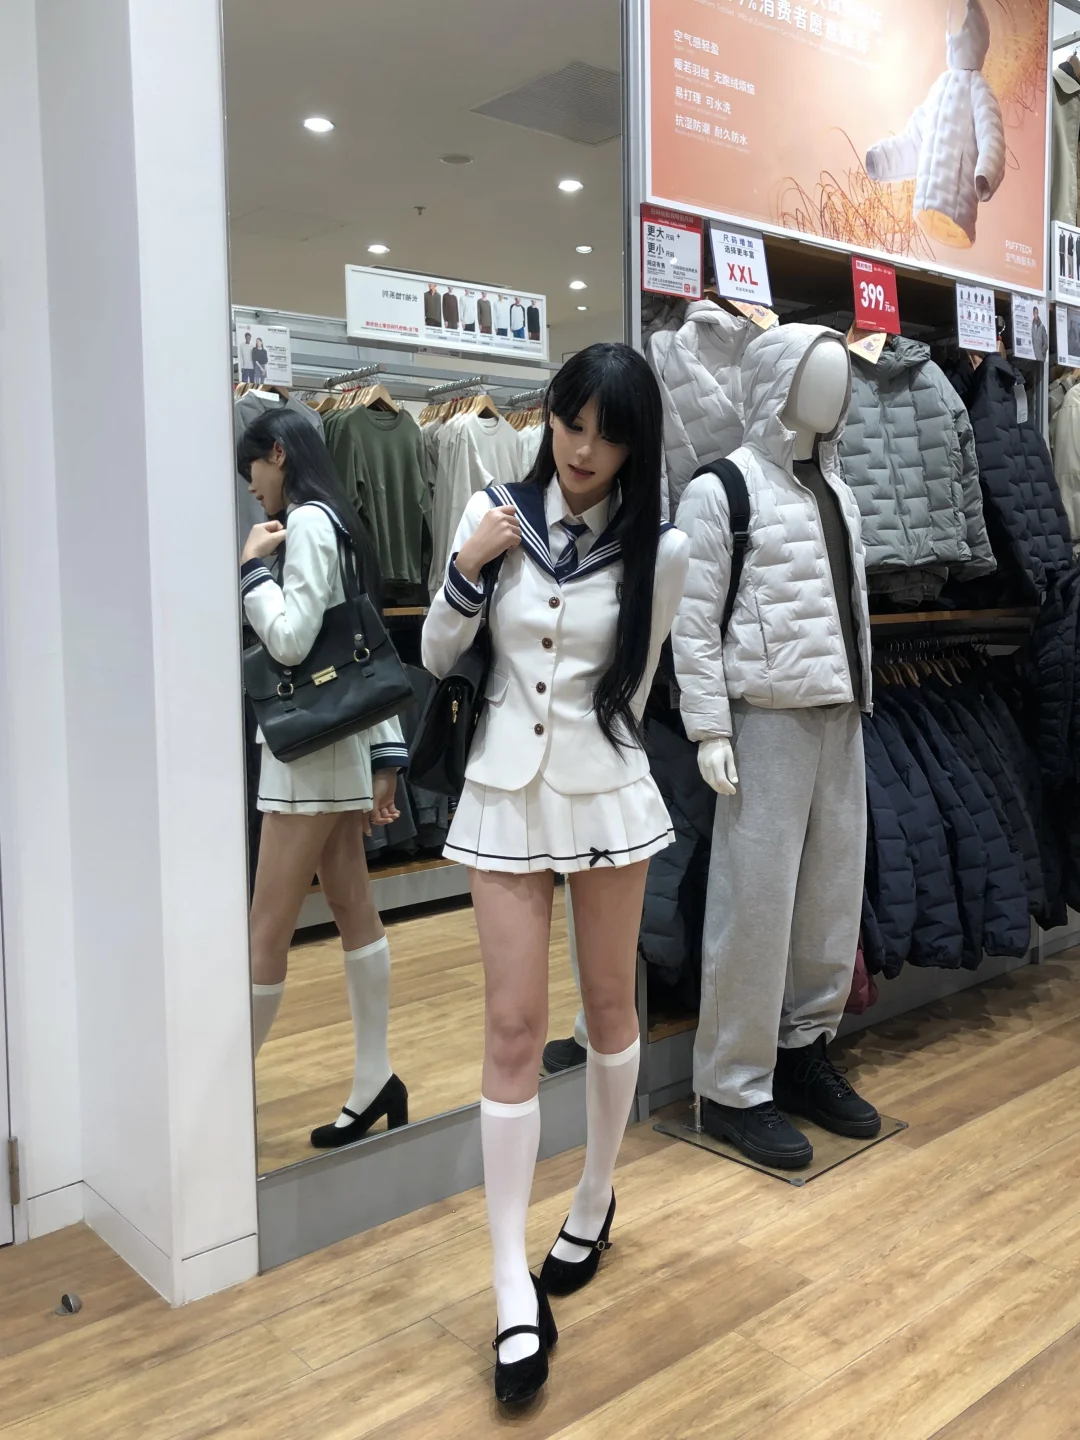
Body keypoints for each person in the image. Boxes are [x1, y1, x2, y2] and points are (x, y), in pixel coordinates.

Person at [422, 343, 690, 1406]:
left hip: (605, 787)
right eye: (571, 424)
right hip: (501, 790)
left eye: (607, 435)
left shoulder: (659, 549)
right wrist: (467, 568)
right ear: (549, 417)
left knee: (613, 1006)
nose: (583, 450)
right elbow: (438, 653)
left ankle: (595, 1193)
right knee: (512, 1029)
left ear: (634, 444)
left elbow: (641, 682)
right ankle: (507, 1284)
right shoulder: (493, 511)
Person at [238, 408, 410, 1151]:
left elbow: (292, 641)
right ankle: (376, 1077)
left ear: (277, 453)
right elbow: (360, 649)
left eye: (253, 470)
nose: (253, 488)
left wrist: (252, 572)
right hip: (336, 751)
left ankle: (220, 1100)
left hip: (305, 760)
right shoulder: (338, 522)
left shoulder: (307, 522)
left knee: (266, 930)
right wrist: (385, 757)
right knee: (352, 909)